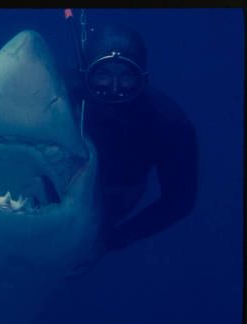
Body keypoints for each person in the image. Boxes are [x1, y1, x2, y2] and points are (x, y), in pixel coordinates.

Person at [66, 24, 198, 278]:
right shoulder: (62, 90)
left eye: (127, 76)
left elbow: (180, 201)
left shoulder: (171, 125)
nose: (114, 87)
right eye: (103, 74)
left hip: (116, 194)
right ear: (85, 75)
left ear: (143, 78)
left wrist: (112, 241)